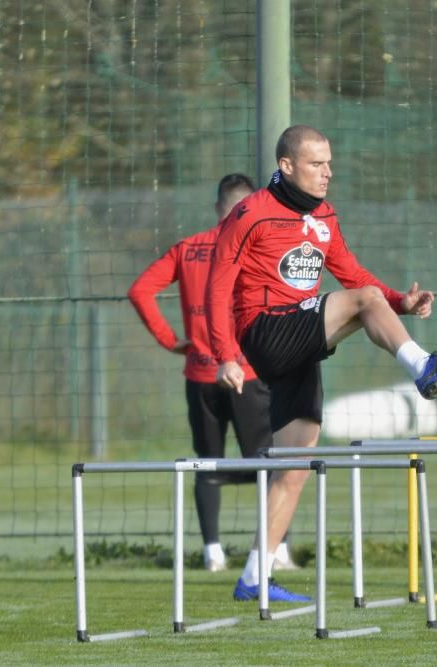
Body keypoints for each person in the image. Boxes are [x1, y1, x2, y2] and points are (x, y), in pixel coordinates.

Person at [205, 124, 437, 602]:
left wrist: (400, 300)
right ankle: (424, 368)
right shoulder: (250, 214)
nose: (327, 172)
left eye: (329, 162)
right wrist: (225, 354)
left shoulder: (324, 215)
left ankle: (253, 577)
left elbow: (350, 272)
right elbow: (216, 285)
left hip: (300, 340)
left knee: (295, 466)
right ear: (286, 166)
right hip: (264, 332)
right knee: (363, 300)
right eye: (316, 164)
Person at [127, 173, 299, 579]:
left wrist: (171, 340)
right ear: (246, 207)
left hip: (201, 375)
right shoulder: (255, 246)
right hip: (246, 372)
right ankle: (277, 550)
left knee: (206, 463)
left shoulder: (188, 249)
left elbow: (140, 290)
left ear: (217, 206)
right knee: (268, 461)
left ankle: (212, 552)